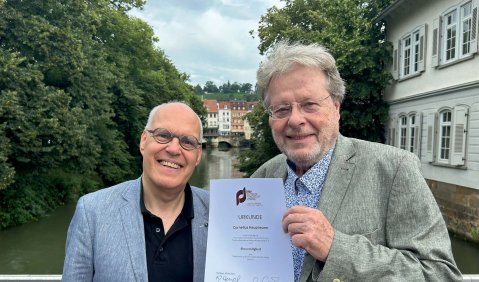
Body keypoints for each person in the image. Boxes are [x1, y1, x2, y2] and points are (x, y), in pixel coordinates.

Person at [251, 41, 462, 281]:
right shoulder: (262, 177)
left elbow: (440, 274)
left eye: (309, 104)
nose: (295, 119)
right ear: (271, 119)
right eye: (281, 109)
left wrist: (336, 248)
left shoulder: (393, 170)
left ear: (336, 107)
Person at [62, 102, 209, 282]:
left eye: (187, 141)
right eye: (163, 135)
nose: (173, 149)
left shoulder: (221, 213)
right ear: (144, 141)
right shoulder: (92, 212)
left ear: (198, 155)